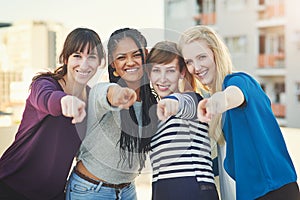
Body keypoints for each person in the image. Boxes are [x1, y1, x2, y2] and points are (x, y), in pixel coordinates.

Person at [178, 25, 300, 200]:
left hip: (274, 191)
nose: (195, 67)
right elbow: (235, 160)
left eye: (201, 57)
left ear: (216, 54)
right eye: (189, 61)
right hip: (254, 194)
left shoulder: (239, 81)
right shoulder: (218, 100)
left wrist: (216, 103)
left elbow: (231, 97)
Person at [0, 28, 106, 200]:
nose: (84, 64)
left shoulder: (93, 99)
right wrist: (66, 101)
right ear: (65, 58)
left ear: (100, 62)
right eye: (77, 56)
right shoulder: (44, 85)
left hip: (52, 195)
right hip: (10, 187)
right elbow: (47, 98)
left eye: (92, 57)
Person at [65, 28, 158, 200]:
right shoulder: (101, 92)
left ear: (145, 56)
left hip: (128, 191)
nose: (130, 62)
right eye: (121, 57)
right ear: (113, 66)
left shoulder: (152, 104)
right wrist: (119, 95)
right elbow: (108, 94)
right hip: (90, 191)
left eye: (136, 55)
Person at [145, 41, 219, 200]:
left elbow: (185, 104)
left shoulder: (192, 99)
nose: (163, 79)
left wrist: (174, 103)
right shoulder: (156, 113)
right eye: (156, 70)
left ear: (182, 73)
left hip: (193, 190)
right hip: (162, 191)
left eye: (170, 71)